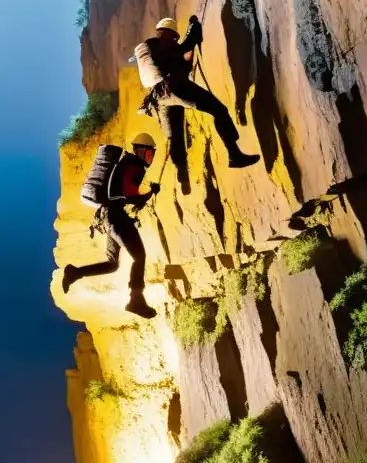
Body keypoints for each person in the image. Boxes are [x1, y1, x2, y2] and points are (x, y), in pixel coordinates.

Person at [137, 16, 259, 194]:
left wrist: (188, 47)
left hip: (159, 100)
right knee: (218, 110)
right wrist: (193, 28)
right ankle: (234, 155)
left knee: (175, 137)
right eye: (172, 35)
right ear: (163, 32)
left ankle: (182, 174)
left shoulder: (155, 54)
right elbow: (182, 48)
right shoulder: (158, 44)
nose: (174, 39)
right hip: (172, 88)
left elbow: (182, 61)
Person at [61, 133, 161, 319]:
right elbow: (126, 196)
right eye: (148, 154)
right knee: (139, 256)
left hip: (109, 217)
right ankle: (136, 299)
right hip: (115, 216)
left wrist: (142, 197)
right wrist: (149, 194)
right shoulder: (133, 166)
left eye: (151, 156)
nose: (150, 159)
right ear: (140, 151)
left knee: (113, 264)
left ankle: (75, 273)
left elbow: (121, 195)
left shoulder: (126, 164)